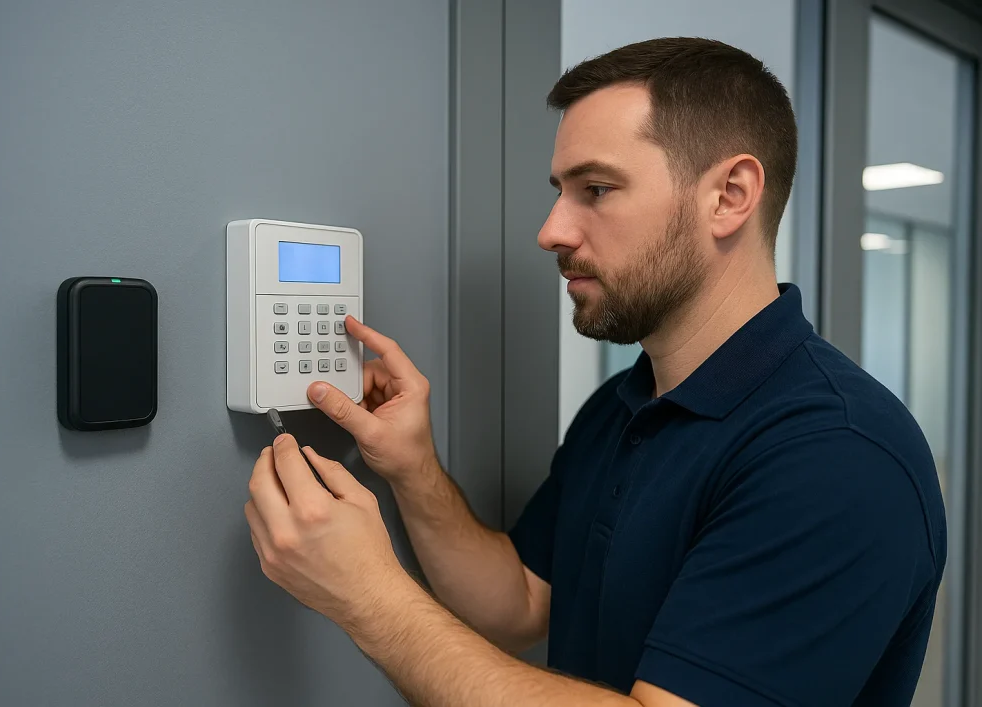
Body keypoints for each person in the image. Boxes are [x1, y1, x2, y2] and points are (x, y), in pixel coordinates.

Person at [243, 37, 946, 706]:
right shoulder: (623, 402)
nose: (552, 229)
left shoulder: (839, 456)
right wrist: (413, 467)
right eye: (560, 189)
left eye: (597, 189)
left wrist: (369, 596)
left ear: (730, 195)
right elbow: (520, 599)